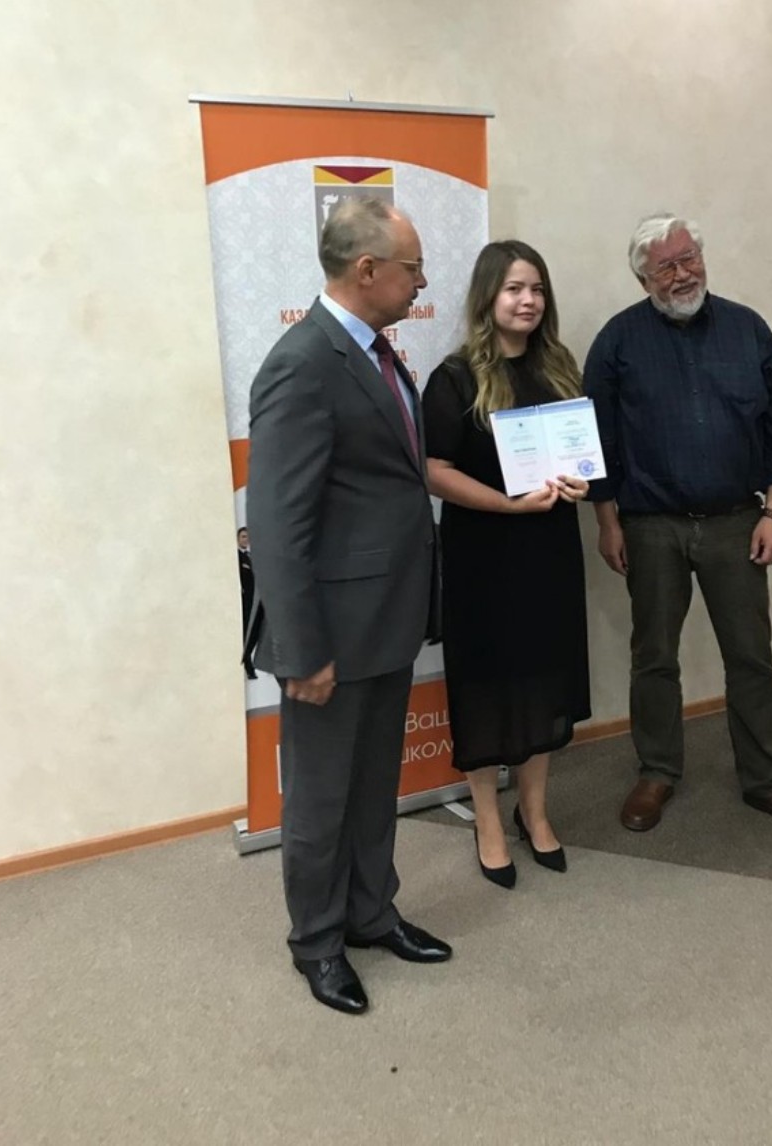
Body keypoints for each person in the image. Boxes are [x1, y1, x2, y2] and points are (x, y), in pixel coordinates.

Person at [246, 197, 452, 1016]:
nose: (422, 282)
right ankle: (318, 942)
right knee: (322, 797)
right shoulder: (303, 362)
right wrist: (302, 651)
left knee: (371, 787)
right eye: (412, 268)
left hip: (386, 619)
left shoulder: (375, 350)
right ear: (367, 270)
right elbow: (277, 524)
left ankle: (371, 913)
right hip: (328, 635)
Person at [583, 213, 772, 841]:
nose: (683, 273)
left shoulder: (749, 330)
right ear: (643, 279)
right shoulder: (617, 341)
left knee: (751, 657)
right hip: (650, 525)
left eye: (689, 257)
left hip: (737, 521)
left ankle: (766, 780)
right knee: (653, 657)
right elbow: (597, 442)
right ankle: (657, 771)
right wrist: (608, 522)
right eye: (666, 266)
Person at [422, 240, 591, 888]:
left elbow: (582, 453)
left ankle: (534, 812)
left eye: (537, 289)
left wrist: (581, 481)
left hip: (548, 550)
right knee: (486, 682)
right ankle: (488, 821)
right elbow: (433, 470)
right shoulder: (455, 377)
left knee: (544, 675)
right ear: (488, 296)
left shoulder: (559, 366)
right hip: (483, 554)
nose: (528, 301)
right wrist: (507, 505)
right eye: (515, 289)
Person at [236, 527, 263, 680]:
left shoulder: (251, 556)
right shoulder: (237, 558)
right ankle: (248, 665)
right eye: (243, 536)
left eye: (248, 537)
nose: (246, 539)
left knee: (255, 631)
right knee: (246, 632)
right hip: (245, 601)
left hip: (255, 600)